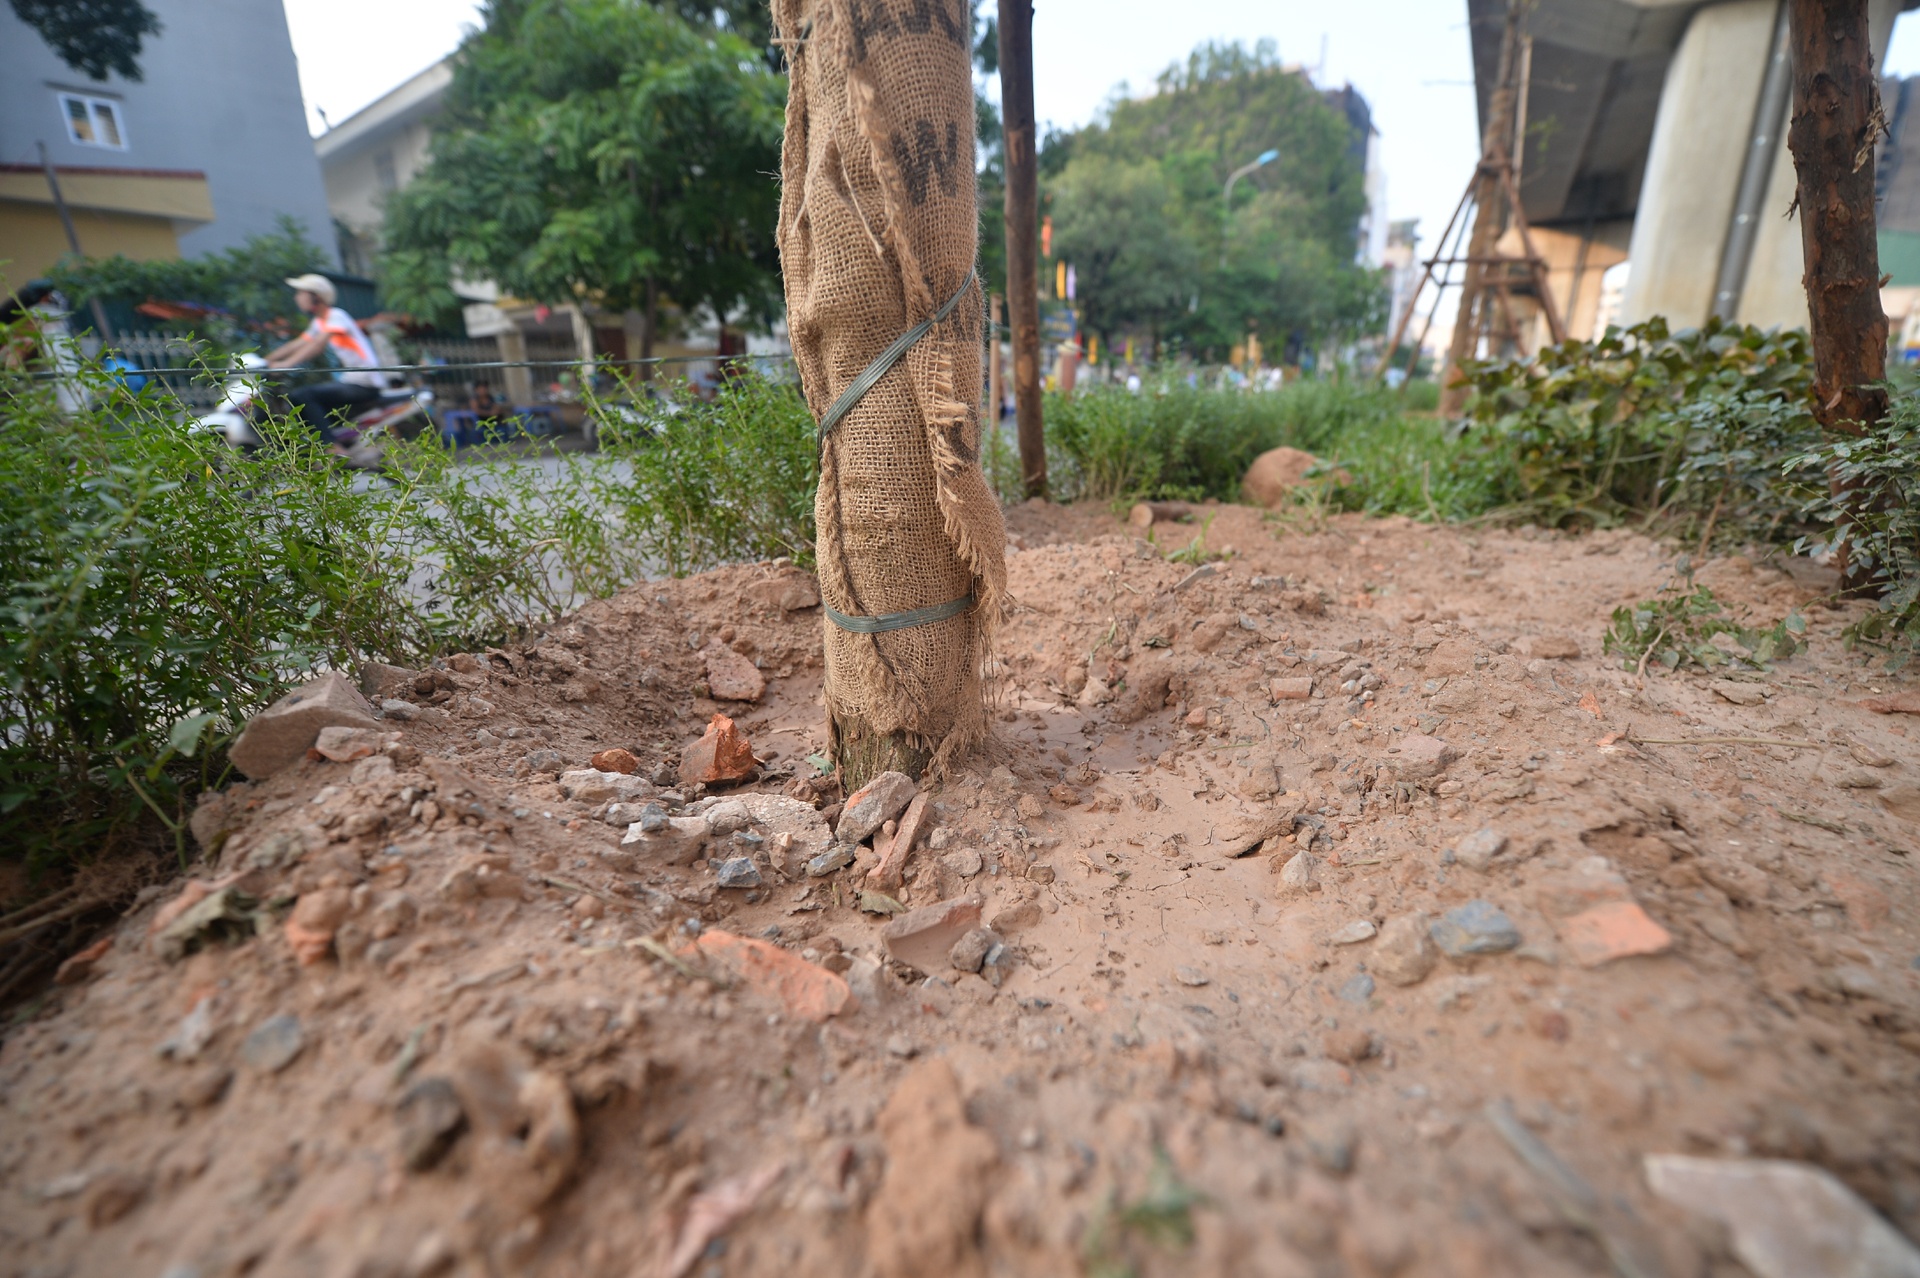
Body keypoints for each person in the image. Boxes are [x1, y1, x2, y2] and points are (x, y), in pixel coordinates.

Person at [264, 273, 386, 437]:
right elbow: (298, 343)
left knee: (303, 395)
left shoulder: (336, 316)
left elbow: (317, 345)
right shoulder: (319, 322)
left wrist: (285, 364)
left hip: (366, 384)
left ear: (316, 296)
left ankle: (331, 447)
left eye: (300, 293)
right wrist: (265, 360)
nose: (296, 297)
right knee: (298, 402)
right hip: (351, 381)